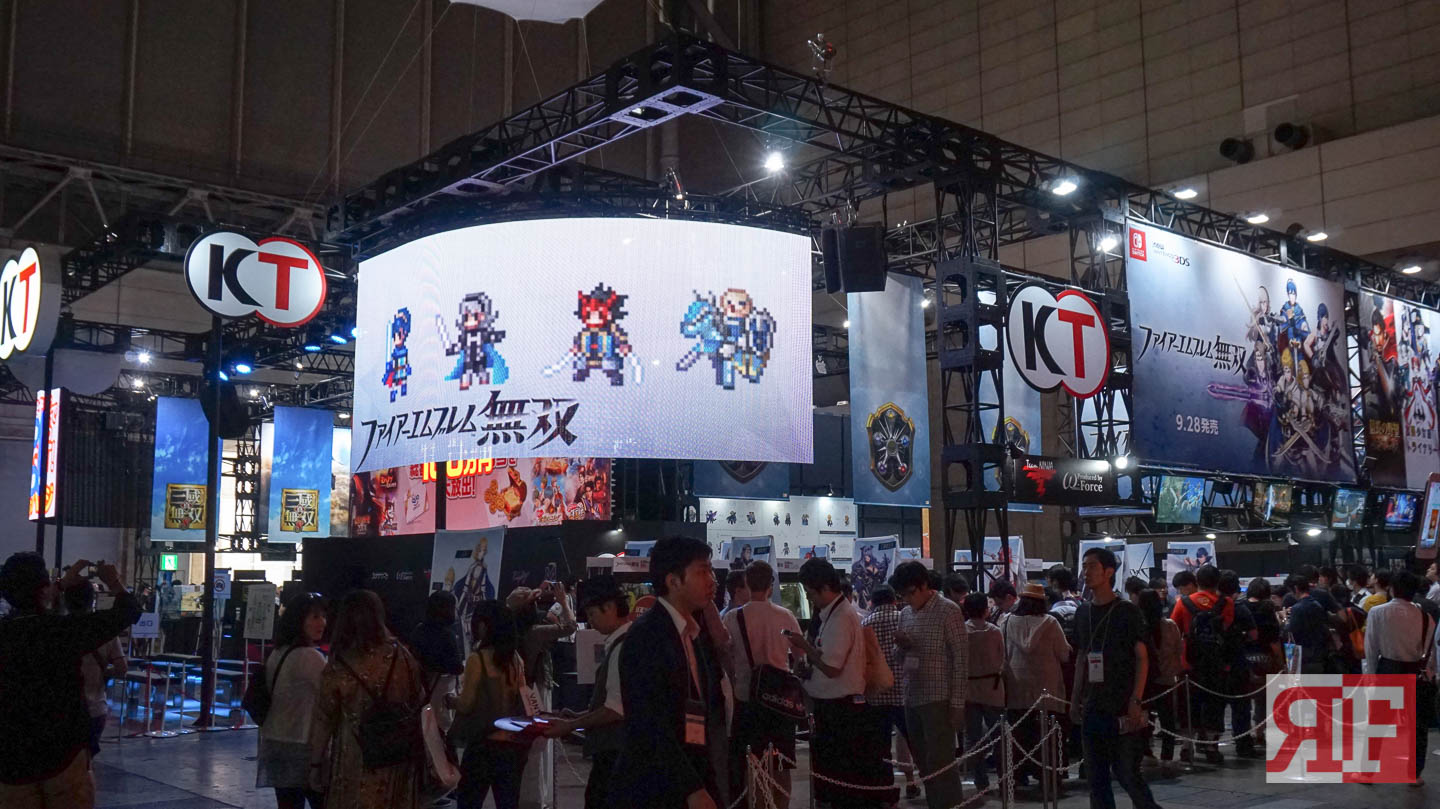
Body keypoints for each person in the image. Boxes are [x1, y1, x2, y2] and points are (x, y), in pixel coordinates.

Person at [0, 554, 140, 809]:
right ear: (44, 589)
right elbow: (130, 610)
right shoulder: (64, 631)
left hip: (11, 758)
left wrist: (59, 585)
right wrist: (113, 581)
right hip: (63, 751)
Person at [612, 536, 727, 809]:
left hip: (691, 774)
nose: (712, 580)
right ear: (673, 581)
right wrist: (692, 788)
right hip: (656, 787)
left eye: (711, 571)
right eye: (702, 571)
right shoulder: (646, 636)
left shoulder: (694, 632)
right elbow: (648, 722)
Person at [787, 557, 891, 808]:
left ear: (824, 587)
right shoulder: (831, 614)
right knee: (833, 777)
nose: (809, 598)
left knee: (840, 779)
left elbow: (833, 668)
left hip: (840, 710)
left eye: (811, 592)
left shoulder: (842, 616)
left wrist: (804, 647)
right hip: (832, 707)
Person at [309, 590, 423, 809]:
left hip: (355, 759)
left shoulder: (340, 664)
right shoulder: (402, 656)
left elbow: (324, 719)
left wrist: (315, 764)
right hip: (398, 758)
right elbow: (418, 699)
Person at [1071, 547, 1162, 809]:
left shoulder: (1126, 611)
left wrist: (1136, 699)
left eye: (1092, 566)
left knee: (1127, 773)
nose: (1086, 572)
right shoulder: (1083, 612)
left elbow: (1142, 657)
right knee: (1096, 778)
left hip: (1122, 704)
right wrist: (1075, 698)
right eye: (1084, 566)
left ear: (1109, 572)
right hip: (1093, 705)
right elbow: (1081, 657)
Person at [543, 580, 631, 809]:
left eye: (593, 614)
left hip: (616, 752)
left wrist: (571, 725)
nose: (590, 621)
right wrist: (578, 716)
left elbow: (615, 709)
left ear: (610, 607)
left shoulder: (624, 646)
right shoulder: (622, 642)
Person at [722, 561, 802, 809]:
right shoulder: (785, 616)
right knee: (781, 765)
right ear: (771, 585)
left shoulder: (733, 617)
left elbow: (725, 654)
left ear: (746, 582)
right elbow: (800, 655)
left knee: (752, 764)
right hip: (780, 702)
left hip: (747, 699)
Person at [886, 561, 966, 809]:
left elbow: (961, 660)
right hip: (912, 696)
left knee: (941, 763)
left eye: (910, 593)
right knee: (923, 763)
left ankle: (950, 805)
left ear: (924, 586)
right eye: (902, 595)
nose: (907, 599)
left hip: (939, 697)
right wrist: (902, 646)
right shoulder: (905, 614)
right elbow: (898, 658)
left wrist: (957, 703)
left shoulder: (948, 610)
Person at [448, 600, 533, 809]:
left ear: (484, 625)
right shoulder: (516, 659)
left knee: (469, 802)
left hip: (482, 745)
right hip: (512, 746)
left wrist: (450, 701)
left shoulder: (478, 659)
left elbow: (466, 704)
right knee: (508, 803)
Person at [257, 592, 328, 809]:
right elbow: (332, 694)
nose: (322, 623)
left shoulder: (278, 652)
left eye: (323, 616)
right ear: (299, 620)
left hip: (275, 741)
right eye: (314, 617)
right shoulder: (309, 656)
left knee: (288, 804)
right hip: (301, 746)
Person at [1365, 570, 1434, 785]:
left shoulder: (1377, 612)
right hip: (1415, 671)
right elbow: (1429, 652)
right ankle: (1414, 774)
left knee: (1378, 722)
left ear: (1392, 589)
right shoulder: (1426, 617)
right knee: (1418, 726)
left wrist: (1371, 675)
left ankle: (1367, 772)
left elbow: (1371, 647)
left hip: (1388, 669)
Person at [1001, 582, 1068, 785]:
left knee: (1019, 735)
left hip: (1017, 687)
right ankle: (1048, 776)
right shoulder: (1051, 623)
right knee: (1046, 736)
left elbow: (1002, 652)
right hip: (1047, 687)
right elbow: (1064, 654)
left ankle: (1019, 775)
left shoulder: (1007, 621)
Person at [1170, 564, 1234, 763]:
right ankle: (1212, 746)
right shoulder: (1227, 603)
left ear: (1197, 581)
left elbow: (1174, 630)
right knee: (1215, 704)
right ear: (1218, 582)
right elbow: (1226, 629)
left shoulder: (1183, 603)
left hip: (1190, 663)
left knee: (1189, 705)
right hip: (1217, 662)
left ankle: (1187, 746)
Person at [861, 585, 920, 800]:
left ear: (873, 602)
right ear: (894, 600)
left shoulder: (865, 623)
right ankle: (922, 781)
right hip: (905, 692)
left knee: (881, 748)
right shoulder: (903, 619)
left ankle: (885, 792)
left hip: (877, 694)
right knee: (914, 742)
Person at [62, 580, 128, 759]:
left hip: (63, 709)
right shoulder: (106, 632)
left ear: (66, 601)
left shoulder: (57, 630)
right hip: (95, 708)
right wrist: (103, 672)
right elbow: (122, 668)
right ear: (92, 600)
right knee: (86, 760)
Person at [960, 592, 1004, 790]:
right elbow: (1003, 658)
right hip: (993, 687)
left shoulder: (961, 631)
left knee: (973, 737)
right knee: (999, 736)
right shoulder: (995, 631)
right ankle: (1004, 778)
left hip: (969, 689)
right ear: (986, 610)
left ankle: (980, 780)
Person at [1217, 571, 1259, 757]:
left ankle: (1208, 745)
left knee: (1215, 705)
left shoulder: (1212, 606)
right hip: (1237, 662)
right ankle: (1243, 744)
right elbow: (1253, 635)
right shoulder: (1240, 608)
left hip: (1214, 662)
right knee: (1241, 706)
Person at [1137, 589, 1182, 764]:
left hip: (1145, 680)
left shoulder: (1139, 627)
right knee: (1168, 718)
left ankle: (1145, 751)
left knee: (1145, 717)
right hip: (1167, 679)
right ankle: (1167, 755)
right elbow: (1178, 650)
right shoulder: (1170, 626)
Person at [411, 590, 465, 732]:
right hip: (441, 692)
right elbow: (456, 667)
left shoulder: (418, 630)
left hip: (420, 689)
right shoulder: (448, 635)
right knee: (440, 730)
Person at [1284, 574, 1331, 674]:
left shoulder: (1297, 608)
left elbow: (1291, 632)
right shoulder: (1317, 605)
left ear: (1296, 589)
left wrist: (1284, 619)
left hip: (1303, 657)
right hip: (1319, 655)